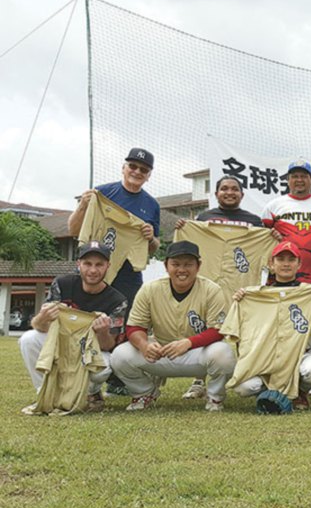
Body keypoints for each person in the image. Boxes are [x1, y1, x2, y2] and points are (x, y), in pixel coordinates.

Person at [175, 175, 277, 401]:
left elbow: (270, 257)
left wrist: (272, 238)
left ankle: (247, 375)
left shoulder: (254, 223)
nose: (229, 192)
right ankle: (199, 381)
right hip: (208, 287)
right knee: (204, 331)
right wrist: (185, 228)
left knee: (245, 335)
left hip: (242, 288)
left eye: (234, 189)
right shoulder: (203, 219)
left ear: (242, 194)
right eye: (224, 189)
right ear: (216, 194)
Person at [111, 241, 236, 412]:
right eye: (176, 264)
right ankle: (144, 392)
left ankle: (215, 397)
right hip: (161, 351)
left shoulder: (211, 290)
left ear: (198, 266)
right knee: (119, 355)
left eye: (188, 264)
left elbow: (218, 330)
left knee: (223, 353)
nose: (182, 270)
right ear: (166, 265)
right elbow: (134, 327)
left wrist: (189, 342)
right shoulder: (150, 289)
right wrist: (144, 345)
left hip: (197, 352)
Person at [18, 242, 128, 413]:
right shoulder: (62, 284)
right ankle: (45, 393)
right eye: (87, 264)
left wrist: (103, 331)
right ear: (78, 264)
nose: (93, 270)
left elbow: (108, 345)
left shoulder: (117, 300)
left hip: (90, 348)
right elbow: (38, 326)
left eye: (99, 264)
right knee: (29, 339)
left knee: (104, 367)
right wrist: (43, 317)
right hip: (61, 342)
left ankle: (90, 393)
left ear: (108, 266)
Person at [225, 241, 311, 411]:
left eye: (291, 259)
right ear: (271, 265)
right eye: (280, 259)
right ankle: (269, 392)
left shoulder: (310, 293)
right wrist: (241, 299)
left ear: (299, 265)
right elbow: (235, 335)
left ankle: (300, 392)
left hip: (298, 357)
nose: (286, 264)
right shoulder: (255, 295)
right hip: (263, 359)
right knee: (243, 386)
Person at [68, 148, 161, 307]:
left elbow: (153, 248)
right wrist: (83, 206)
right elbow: (73, 230)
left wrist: (151, 238)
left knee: (125, 322)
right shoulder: (101, 194)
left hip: (128, 275)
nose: (137, 172)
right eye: (132, 166)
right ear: (123, 168)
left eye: (144, 169)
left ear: (149, 176)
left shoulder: (152, 205)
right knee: (84, 318)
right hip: (94, 270)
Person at [261, 158, 311, 287]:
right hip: (280, 280)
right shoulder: (272, 207)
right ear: (288, 180)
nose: (299, 180)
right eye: (295, 176)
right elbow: (262, 242)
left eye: (304, 176)